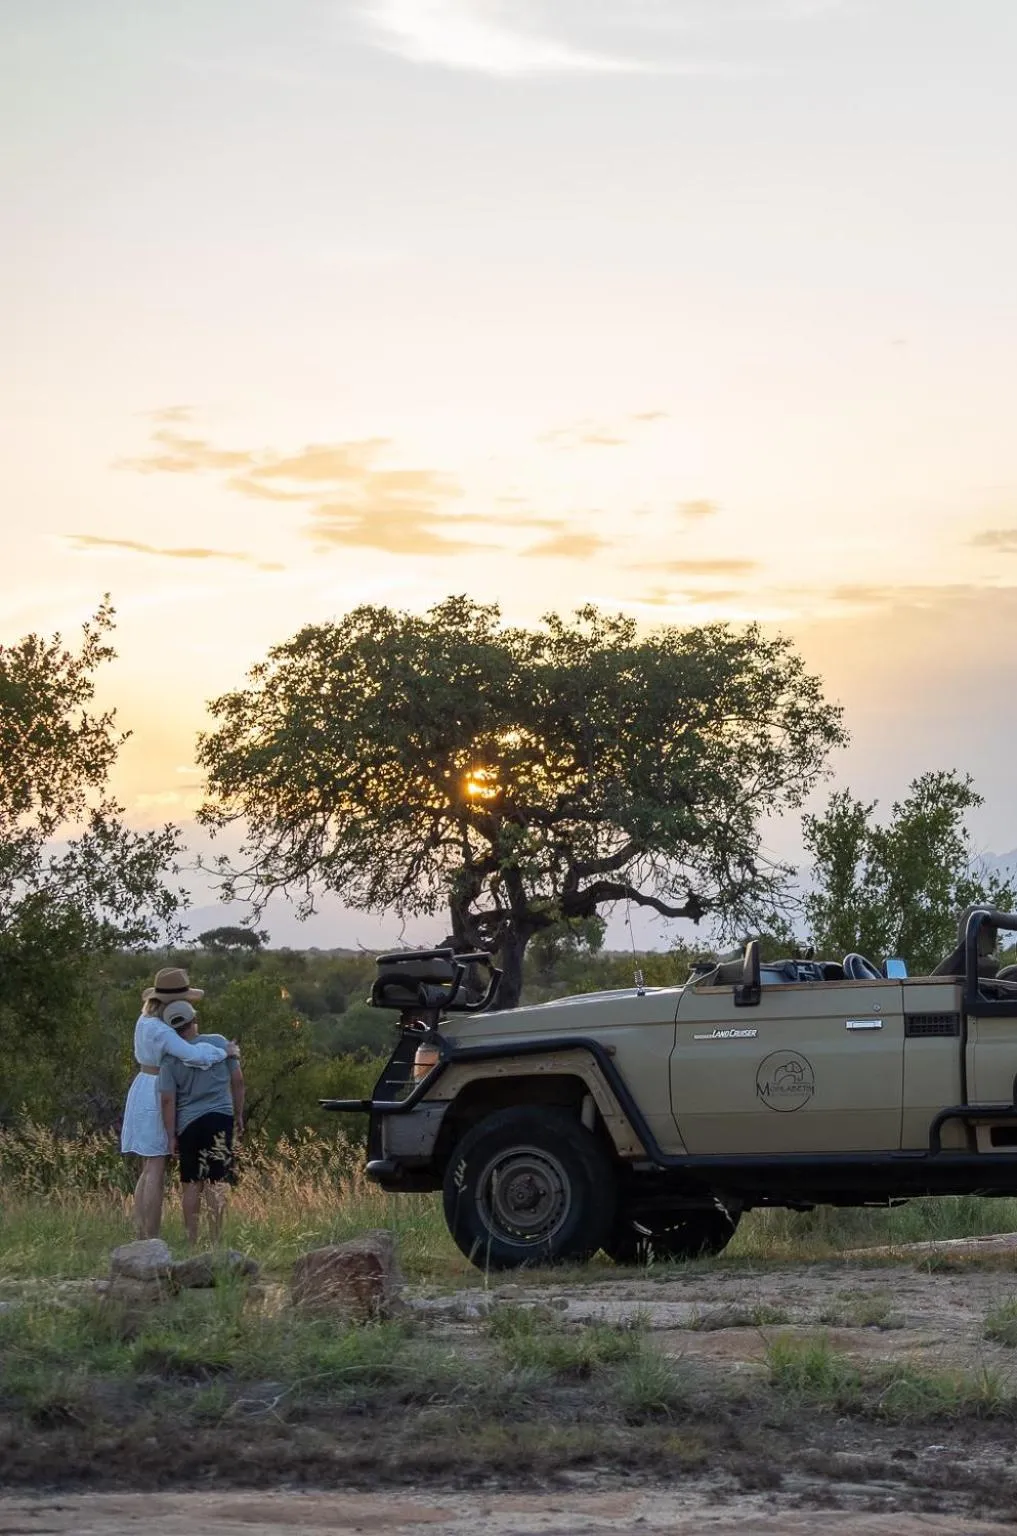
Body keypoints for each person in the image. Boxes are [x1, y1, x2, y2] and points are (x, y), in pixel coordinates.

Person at [121, 967, 239, 1239]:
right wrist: (225, 1051)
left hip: (142, 1084)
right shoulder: (162, 1030)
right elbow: (192, 1055)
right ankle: (150, 1235)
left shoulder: (144, 1021)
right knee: (155, 1167)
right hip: (154, 1088)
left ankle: (142, 1231)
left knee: (147, 1165)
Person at [159, 1000, 245, 1247]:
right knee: (216, 1181)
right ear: (193, 1020)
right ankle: (216, 1242)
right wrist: (238, 1113)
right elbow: (238, 1081)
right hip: (220, 1118)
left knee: (191, 1183)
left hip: (189, 1124)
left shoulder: (170, 1058)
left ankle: (191, 1242)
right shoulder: (218, 1043)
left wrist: (170, 1134)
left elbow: (167, 1099)